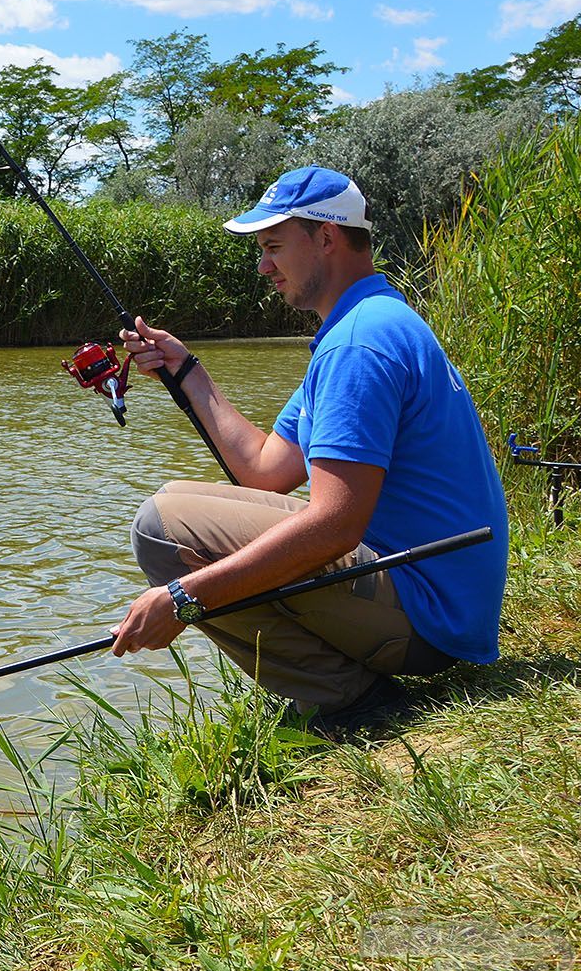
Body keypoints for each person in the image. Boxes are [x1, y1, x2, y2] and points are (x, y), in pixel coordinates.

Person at [108, 165, 508, 733]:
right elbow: (267, 470)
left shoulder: (358, 345)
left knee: (159, 527)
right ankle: (340, 685)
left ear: (325, 236)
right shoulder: (364, 323)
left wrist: (183, 596)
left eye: (273, 246)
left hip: (428, 619)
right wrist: (187, 372)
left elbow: (336, 526)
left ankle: (347, 697)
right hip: (439, 607)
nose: (263, 265)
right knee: (174, 503)